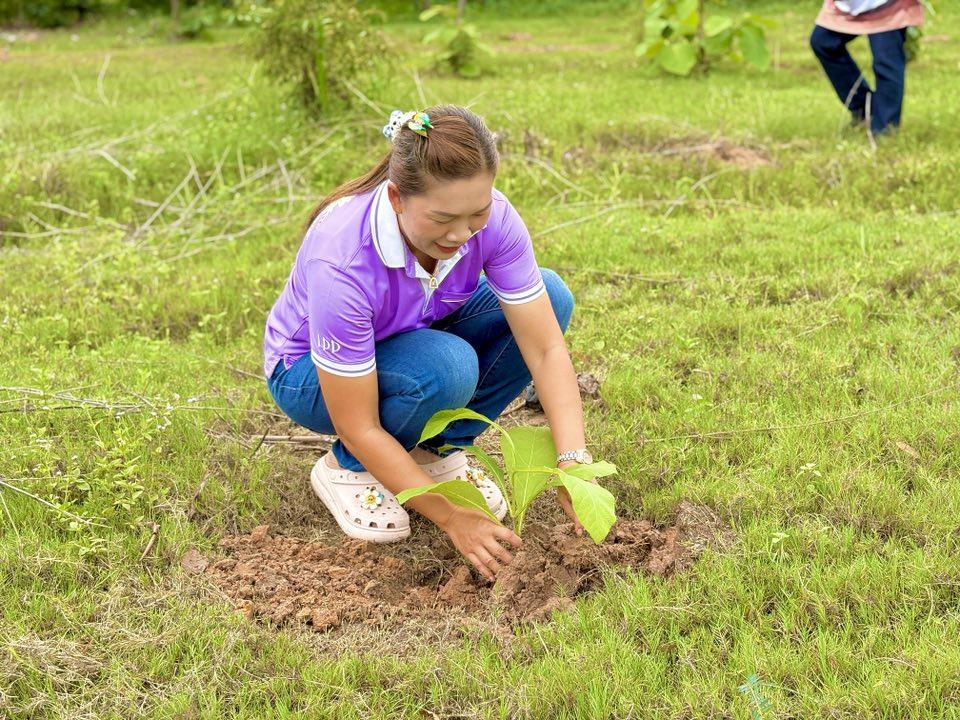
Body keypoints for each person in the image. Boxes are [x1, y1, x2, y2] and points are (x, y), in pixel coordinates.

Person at [262, 105, 595, 581]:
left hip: (410, 334)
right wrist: (451, 516)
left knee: (551, 297)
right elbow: (356, 421)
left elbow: (544, 348)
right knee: (447, 368)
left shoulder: (495, 220)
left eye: (477, 213)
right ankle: (347, 467)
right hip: (308, 376)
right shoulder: (344, 259)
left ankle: (433, 450)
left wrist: (573, 464)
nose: (461, 235)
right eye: (443, 218)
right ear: (397, 198)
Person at [809, 0, 925, 135]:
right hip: (850, 5)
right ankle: (864, 109)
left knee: (886, 61)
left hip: (888, 6)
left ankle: (885, 129)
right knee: (823, 42)